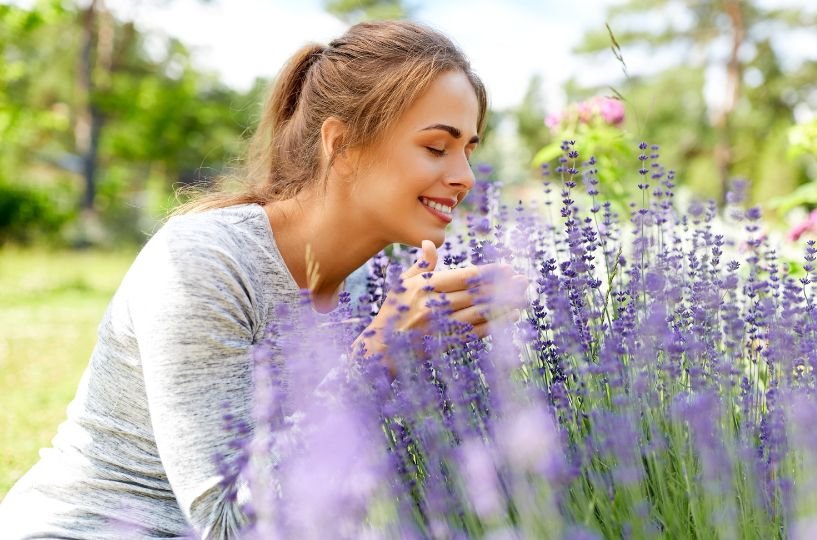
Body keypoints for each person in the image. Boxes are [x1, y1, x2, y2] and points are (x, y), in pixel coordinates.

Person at [0, 20, 526, 539]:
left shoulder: (383, 285)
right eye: (437, 147)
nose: (465, 177)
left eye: (469, 150)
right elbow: (229, 524)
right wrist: (379, 355)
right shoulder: (204, 263)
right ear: (341, 146)